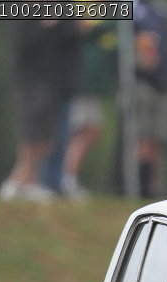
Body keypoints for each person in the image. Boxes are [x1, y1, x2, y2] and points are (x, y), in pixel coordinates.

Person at [0, 20, 81, 203]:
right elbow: (23, 45)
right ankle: (18, 182)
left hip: (48, 83)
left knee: (46, 140)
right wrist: (44, 25)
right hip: (28, 83)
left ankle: (25, 181)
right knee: (32, 136)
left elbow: (68, 39)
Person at [61, 18, 119, 199]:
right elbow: (81, 29)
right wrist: (111, 23)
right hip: (81, 85)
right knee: (84, 132)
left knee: (88, 131)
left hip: (88, 87)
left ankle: (67, 178)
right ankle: (66, 179)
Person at [133, 0, 167, 198]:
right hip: (144, 84)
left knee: (157, 139)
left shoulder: (162, 11)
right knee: (143, 137)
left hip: (164, 83)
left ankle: (153, 185)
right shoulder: (134, 10)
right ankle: (138, 186)